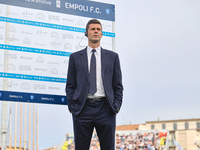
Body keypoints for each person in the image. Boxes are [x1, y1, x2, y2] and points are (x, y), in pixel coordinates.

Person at [66, 19, 123, 150]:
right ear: (86, 33)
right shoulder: (75, 57)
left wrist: (116, 106)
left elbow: (118, 85)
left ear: (102, 34)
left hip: (106, 108)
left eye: (98, 29)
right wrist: (72, 107)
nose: (96, 31)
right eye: (93, 29)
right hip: (82, 108)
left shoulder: (112, 57)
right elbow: (70, 85)